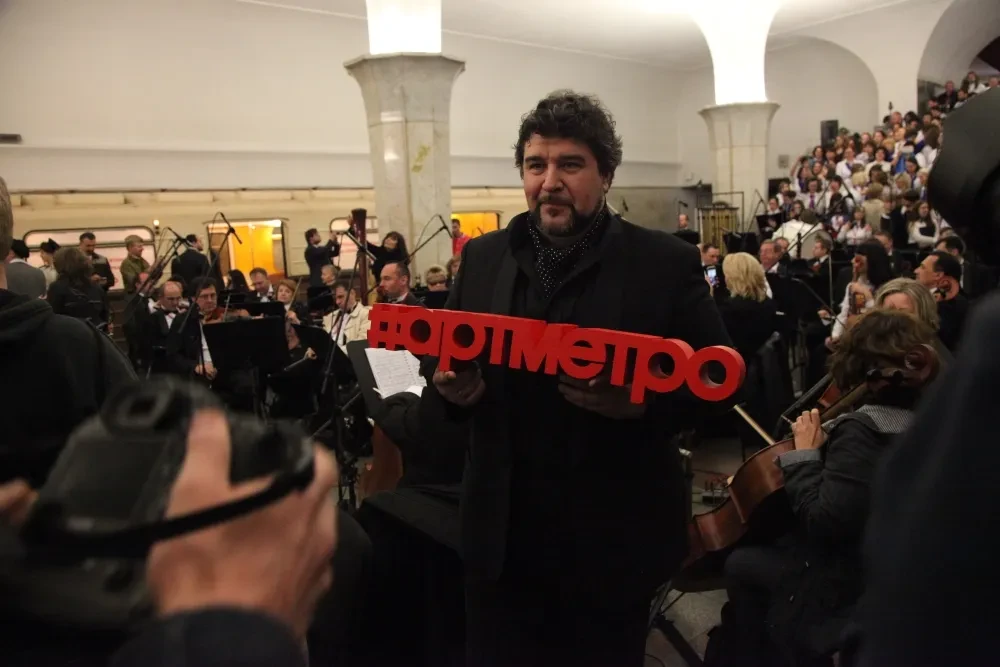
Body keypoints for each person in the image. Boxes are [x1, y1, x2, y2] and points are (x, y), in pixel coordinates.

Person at [421, 90, 733, 666]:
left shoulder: (663, 262)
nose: (550, 182)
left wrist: (644, 404)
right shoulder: (483, 257)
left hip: (610, 542)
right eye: (535, 165)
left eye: (570, 164)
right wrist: (451, 390)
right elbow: (442, 360)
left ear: (606, 175)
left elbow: (720, 383)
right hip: (501, 539)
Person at [706, 310, 938, 667]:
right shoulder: (930, 422)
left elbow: (825, 520)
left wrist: (804, 455)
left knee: (741, 564)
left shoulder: (861, 430)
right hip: (900, 568)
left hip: (851, 582)